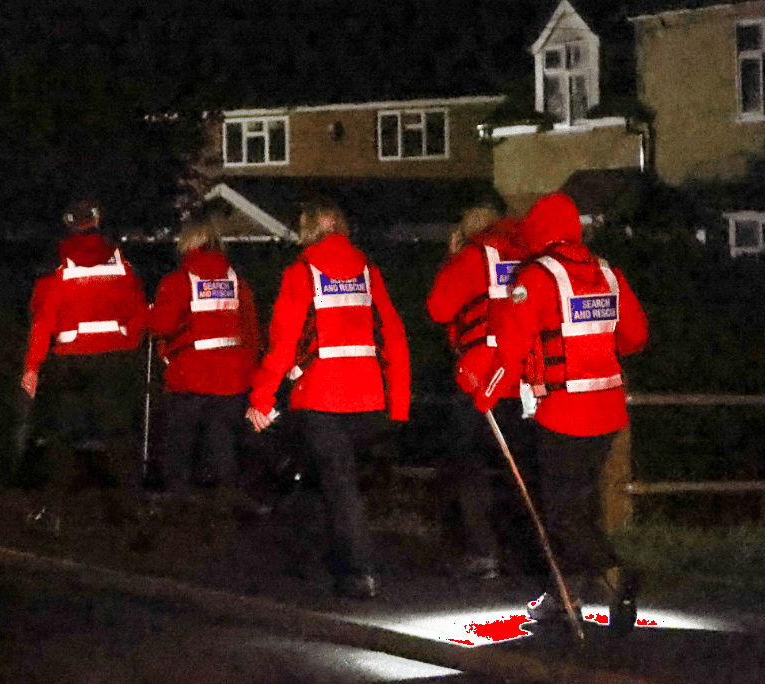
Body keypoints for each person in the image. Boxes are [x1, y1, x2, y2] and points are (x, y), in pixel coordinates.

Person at [478, 191, 648, 630]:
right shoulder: (608, 273)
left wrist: (486, 389)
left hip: (564, 414)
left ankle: (616, 574)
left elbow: (512, 347)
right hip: (608, 412)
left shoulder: (537, 277)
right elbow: (635, 337)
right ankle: (567, 592)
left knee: (558, 513)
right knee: (580, 505)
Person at [247, 198, 411, 599]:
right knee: (329, 478)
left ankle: (358, 572)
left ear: (308, 229)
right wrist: (400, 400)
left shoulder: (302, 272)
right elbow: (393, 336)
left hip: (322, 395)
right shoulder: (368, 271)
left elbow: (283, 343)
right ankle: (318, 561)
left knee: (336, 482)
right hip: (369, 397)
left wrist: (261, 399)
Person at [16, 196, 149, 534]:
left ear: (67, 223)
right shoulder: (123, 266)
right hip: (114, 362)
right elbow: (138, 316)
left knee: (61, 440)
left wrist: (32, 367)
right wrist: (125, 347)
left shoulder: (59, 269)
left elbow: (43, 321)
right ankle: (132, 513)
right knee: (119, 439)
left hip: (70, 364)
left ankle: (53, 513)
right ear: (98, 220)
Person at [426, 201, 538, 580]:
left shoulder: (474, 256)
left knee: (470, 465)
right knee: (521, 470)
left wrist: (453, 256)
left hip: (480, 377)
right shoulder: (530, 255)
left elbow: (439, 307)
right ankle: (530, 553)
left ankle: (483, 550)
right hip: (524, 377)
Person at [146, 216, 262, 516]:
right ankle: (230, 499)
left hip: (190, 377)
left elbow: (161, 325)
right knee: (223, 442)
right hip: (232, 379)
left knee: (180, 442)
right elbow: (251, 332)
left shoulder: (179, 281)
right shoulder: (237, 281)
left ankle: (178, 501)